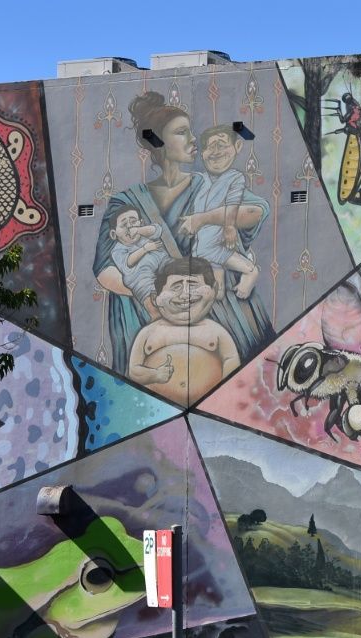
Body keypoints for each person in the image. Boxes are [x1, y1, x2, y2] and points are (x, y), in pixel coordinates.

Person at [92, 92, 273, 374]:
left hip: (220, 314)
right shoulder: (125, 202)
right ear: (157, 141)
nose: (193, 140)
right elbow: (105, 270)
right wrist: (163, 300)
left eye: (191, 132)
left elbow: (255, 212)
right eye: (181, 132)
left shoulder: (208, 184)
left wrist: (206, 218)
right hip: (149, 316)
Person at [129, 256, 240, 406]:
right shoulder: (148, 333)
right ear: (156, 297)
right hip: (156, 409)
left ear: (213, 290)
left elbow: (231, 361)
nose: (185, 294)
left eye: (193, 285)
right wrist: (154, 374)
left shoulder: (216, 332)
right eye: (176, 286)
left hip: (208, 407)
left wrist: (223, 394)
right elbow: (134, 371)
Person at [187, 126, 259, 300]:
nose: (216, 151)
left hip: (214, 237)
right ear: (202, 153)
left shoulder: (235, 177)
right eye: (210, 147)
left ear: (237, 147)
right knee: (217, 289)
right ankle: (216, 291)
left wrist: (229, 227)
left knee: (209, 252)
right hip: (203, 236)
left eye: (221, 145)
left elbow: (233, 203)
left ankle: (251, 271)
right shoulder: (200, 179)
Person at [108, 205, 169, 318]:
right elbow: (128, 263)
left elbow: (157, 229)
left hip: (162, 261)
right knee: (151, 301)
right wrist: (145, 249)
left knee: (175, 269)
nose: (130, 227)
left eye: (133, 221)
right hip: (139, 276)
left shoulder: (144, 233)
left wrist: (139, 230)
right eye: (124, 225)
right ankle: (157, 317)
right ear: (113, 233)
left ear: (141, 222)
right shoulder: (117, 250)